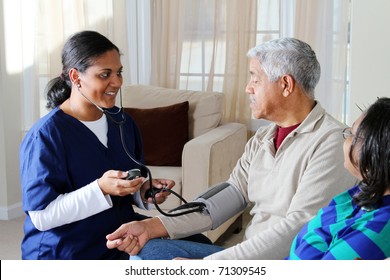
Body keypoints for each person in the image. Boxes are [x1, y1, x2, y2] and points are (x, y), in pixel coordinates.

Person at [105, 37, 357, 260]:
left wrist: (211, 267)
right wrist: (153, 226)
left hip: (284, 262)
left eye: (255, 78)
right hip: (250, 255)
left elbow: (300, 229)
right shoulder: (263, 137)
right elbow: (230, 195)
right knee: (149, 241)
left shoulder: (333, 142)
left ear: (286, 85)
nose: (248, 87)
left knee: (154, 254)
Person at [20, 30, 177, 259]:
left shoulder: (123, 123)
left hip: (119, 239)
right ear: (75, 77)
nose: (117, 82)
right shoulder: (46, 136)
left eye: (119, 73)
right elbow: (42, 217)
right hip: (65, 250)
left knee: (197, 243)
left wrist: (143, 193)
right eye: (105, 75)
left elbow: (130, 181)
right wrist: (100, 188)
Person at [286, 97, 390, 260]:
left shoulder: (379, 228)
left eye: (353, 135)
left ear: (376, 153)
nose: (346, 139)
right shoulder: (364, 192)